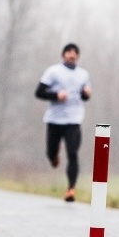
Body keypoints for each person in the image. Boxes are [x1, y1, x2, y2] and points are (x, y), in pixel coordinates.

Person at [35, 43, 92, 202]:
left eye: (75, 53)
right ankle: (54, 157)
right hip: (54, 118)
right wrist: (56, 95)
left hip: (74, 119)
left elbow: (85, 96)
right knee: (51, 152)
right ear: (63, 55)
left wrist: (86, 94)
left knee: (73, 153)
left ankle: (71, 189)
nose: (72, 55)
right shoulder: (53, 71)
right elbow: (39, 92)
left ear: (78, 56)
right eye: (69, 52)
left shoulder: (83, 74)